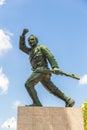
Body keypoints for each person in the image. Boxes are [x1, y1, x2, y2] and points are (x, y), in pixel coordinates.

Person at [19, 28, 75, 107]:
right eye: (29, 41)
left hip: (41, 70)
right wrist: (23, 35)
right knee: (52, 89)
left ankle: (37, 103)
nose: (30, 41)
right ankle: (68, 100)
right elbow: (21, 47)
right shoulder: (30, 51)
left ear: (36, 40)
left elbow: (50, 56)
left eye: (32, 39)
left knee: (28, 84)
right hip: (40, 72)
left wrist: (55, 66)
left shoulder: (41, 47)